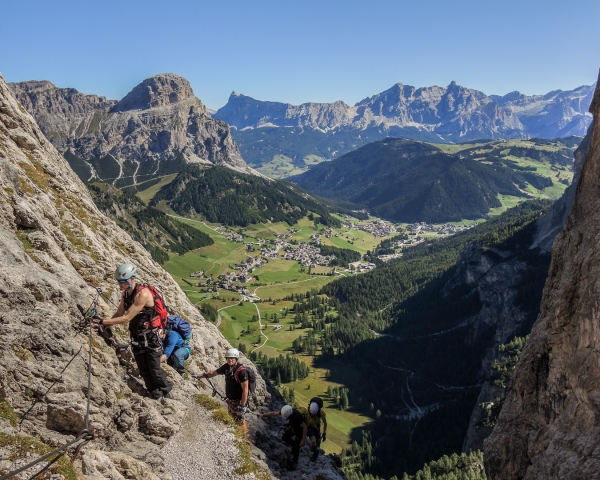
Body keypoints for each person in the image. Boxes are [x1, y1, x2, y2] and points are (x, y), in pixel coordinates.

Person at [99, 264, 172, 400]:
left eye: (123, 281)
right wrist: (105, 323)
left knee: (155, 368)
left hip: (151, 336)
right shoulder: (125, 293)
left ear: (132, 279)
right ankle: (155, 395)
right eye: (119, 282)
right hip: (136, 336)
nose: (120, 284)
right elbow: (119, 313)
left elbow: (126, 318)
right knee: (143, 369)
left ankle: (167, 393)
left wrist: (103, 322)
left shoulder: (143, 294)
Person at [197, 347, 249, 433]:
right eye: (228, 358)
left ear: (236, 358)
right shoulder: (226, 367)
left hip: (239, 401)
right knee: (232, 418)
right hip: (230, 400)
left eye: (232, 358)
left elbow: (245, 389)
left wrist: (242, 406)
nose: (230, 360)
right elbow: (214, 373)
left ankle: (243, 439)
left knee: (240, 420)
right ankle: (236, 435)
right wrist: (201, 376)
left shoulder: (242, 371)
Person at [258, 405, 307, 470]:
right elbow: (274, 413)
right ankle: (293, 446)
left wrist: (303, 439)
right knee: (285, 437)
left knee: (296, 447)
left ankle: (295, 462)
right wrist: (263, 415)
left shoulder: (297, 416)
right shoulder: (286, 411)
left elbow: (304, 427)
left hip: (299, 430)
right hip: (293, 427)